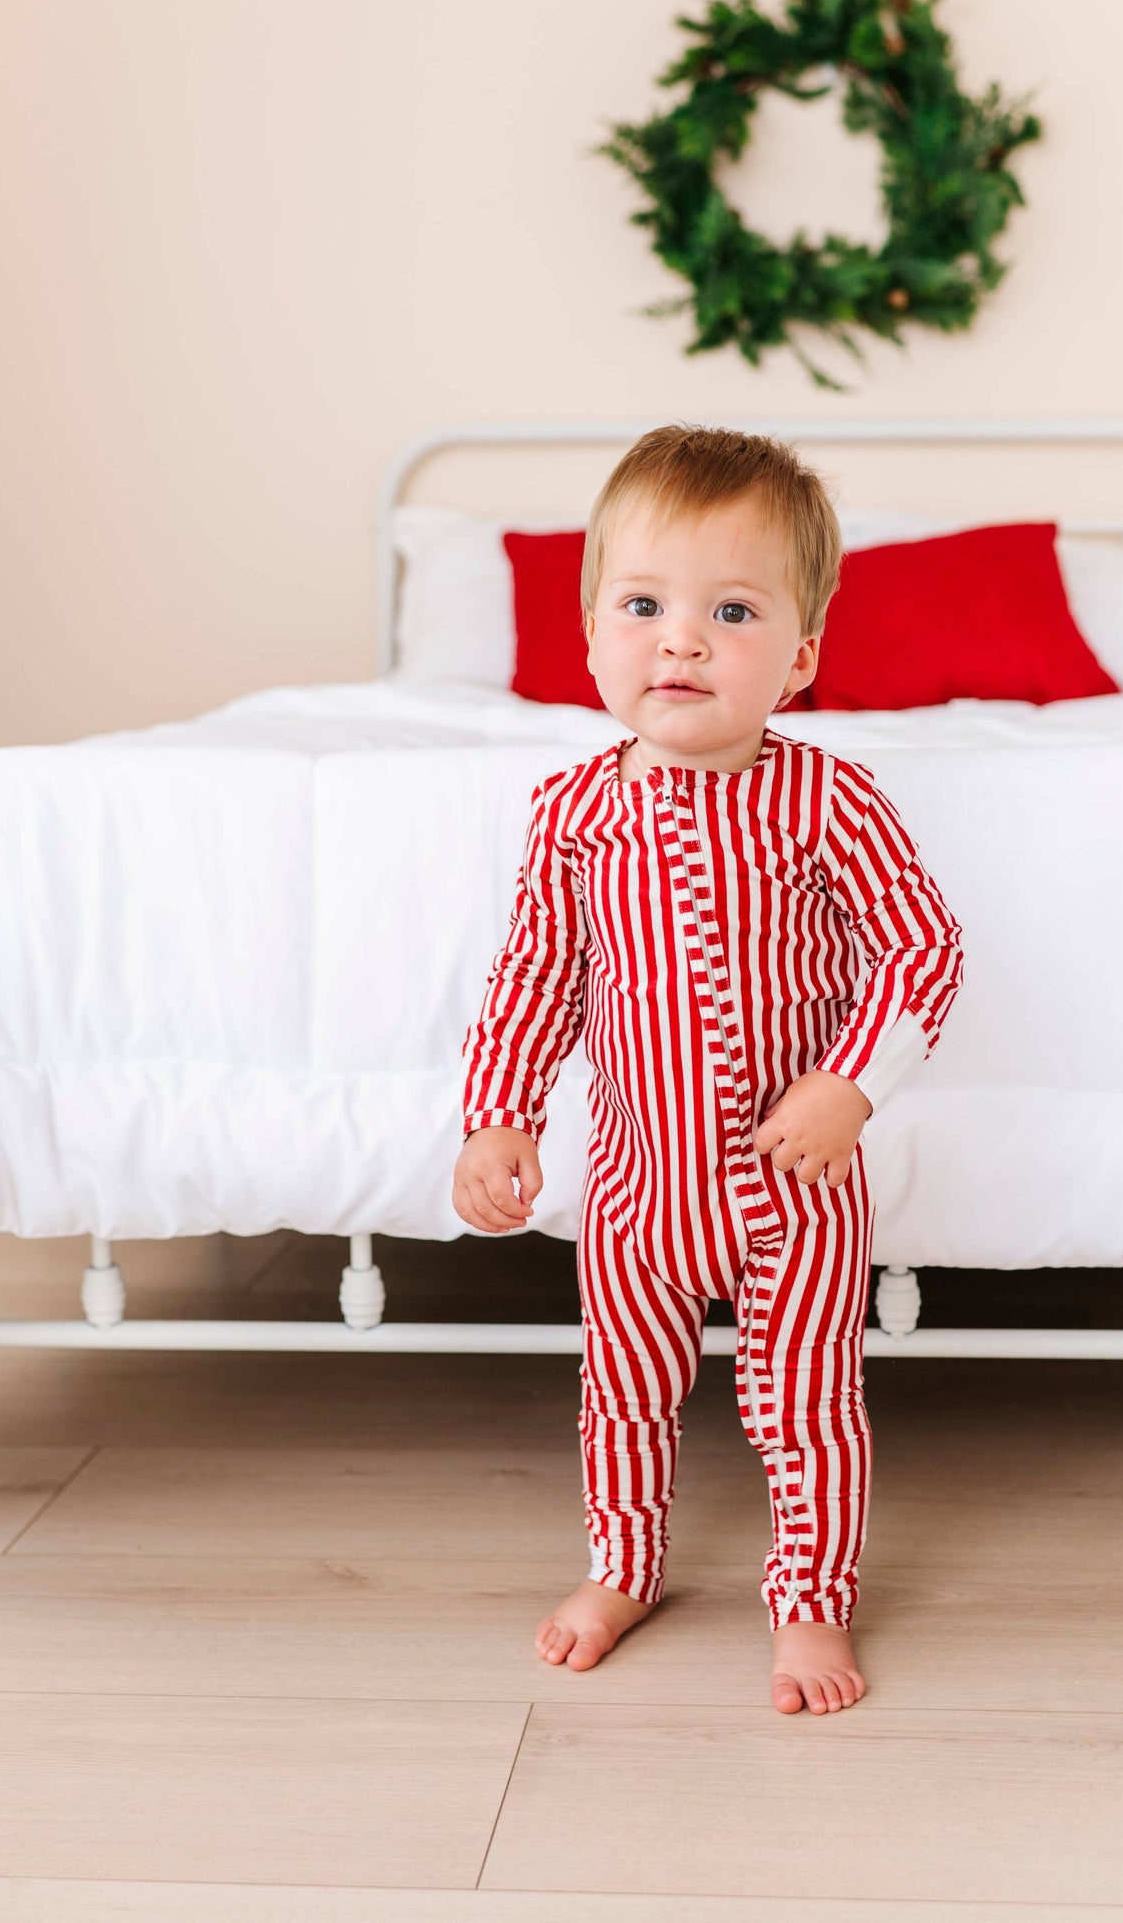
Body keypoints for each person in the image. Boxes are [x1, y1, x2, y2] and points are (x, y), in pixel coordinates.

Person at [452, 424, 963, 1717]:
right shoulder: (573, 811)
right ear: (588, 642)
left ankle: (808, 1598)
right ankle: (623, 1565)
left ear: (797, 659)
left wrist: (849, 1085)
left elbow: (921, 952)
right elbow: (534, 976)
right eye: (642, 605)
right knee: (619, 1396)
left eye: (728, 611)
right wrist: (497, 1116)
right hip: (633, 1192)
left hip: (789, 1190)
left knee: (804, 1411)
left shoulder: (826, 801)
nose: (678, 639)